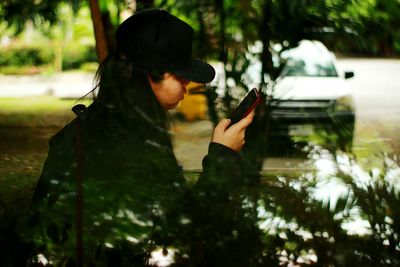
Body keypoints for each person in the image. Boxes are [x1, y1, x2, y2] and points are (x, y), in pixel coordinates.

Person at [27, 9, 260, 266]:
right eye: (180, 75)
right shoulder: (133, 142)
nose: (188, 85)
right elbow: (185, 227)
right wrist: (223, 155)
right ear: (149, 74)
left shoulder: (94, 123)